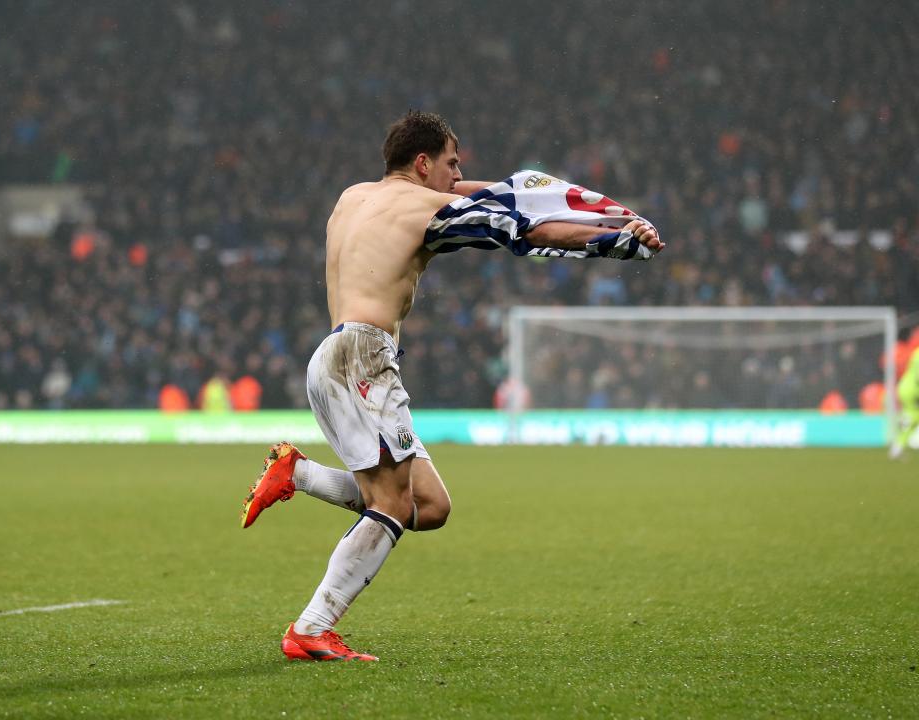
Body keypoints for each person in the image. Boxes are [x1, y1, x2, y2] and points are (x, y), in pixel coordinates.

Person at [239, 111, 664, 661]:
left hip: (331, 356)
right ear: (423, 162)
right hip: (365, 356)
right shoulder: (429, 206)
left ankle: (296, 473)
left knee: (430, 506)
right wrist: (613, 238)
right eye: (452, 162)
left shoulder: (352, 197)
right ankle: (312, 627)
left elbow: (484, 192)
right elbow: (526, 231)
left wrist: (518, 189)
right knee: (391, 503)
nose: (460, 174)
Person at [890, 345, 919, 459]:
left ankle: (898, 446)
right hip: (913, 390)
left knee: (910, 415)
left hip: (905, 387)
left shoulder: (916, 353)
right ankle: (908, 442)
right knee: (913, 415)